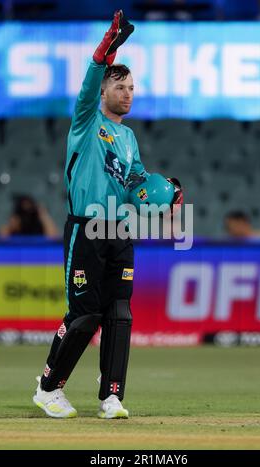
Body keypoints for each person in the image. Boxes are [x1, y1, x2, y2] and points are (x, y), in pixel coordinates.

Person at [33, 10, 182, 420]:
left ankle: (111, 396)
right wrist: (106, 48)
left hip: (119, 229)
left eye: (133, 87)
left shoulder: (130, 137)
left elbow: (135, 183)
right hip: (86, 229)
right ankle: (48, 388)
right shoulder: (85, 121)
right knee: (84, 316)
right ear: (103, 90)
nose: (128, 93)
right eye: (120, 85)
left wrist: (161, 194)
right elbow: (87, 82)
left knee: (119, 314)